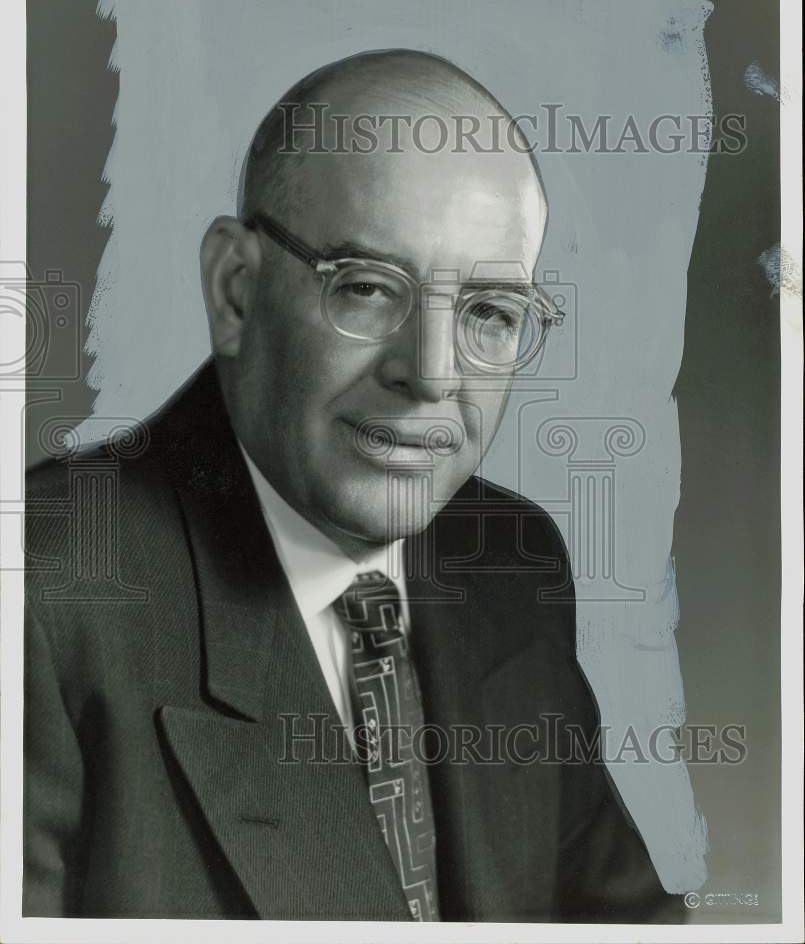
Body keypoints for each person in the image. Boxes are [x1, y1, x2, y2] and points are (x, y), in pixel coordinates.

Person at [24, 49, 683, 922]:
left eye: (488, 311)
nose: (433, 375)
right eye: (369, 290)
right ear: (234, 289)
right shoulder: (43, 597)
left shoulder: (506, 564)